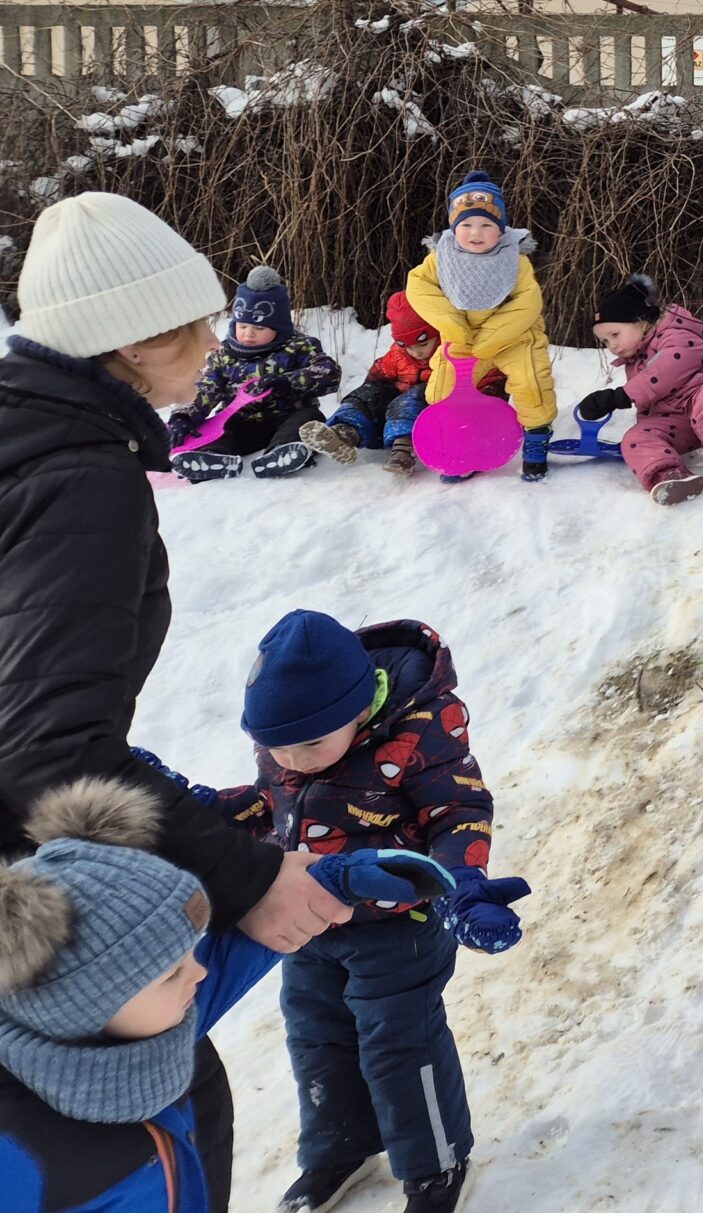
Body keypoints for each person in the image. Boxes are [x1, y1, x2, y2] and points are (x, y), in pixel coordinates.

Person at [0, 191, 354, 1209]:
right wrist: (249, 874)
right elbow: (49, 752)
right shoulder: (80, 478)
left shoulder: (24, 440)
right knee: (161, 1114)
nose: (214, 344)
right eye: (194, 324)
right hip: (24, 919)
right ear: (133, 340)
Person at [0, 780, 447, 1213]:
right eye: (172, 973)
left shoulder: (143, 1014)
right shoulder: (15, 1150)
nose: (198, 972)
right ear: (83, 1005)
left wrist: (333, 881)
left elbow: (234, 950)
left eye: (189, 952)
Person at [206, 611, 523, 1213]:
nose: (292, 760)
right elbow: (272, 806)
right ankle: (342, 1147)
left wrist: (462, 888)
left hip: (399, 928)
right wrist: (201, 811)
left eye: (310, 745)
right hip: (312, 919)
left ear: (359, 710)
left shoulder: (419, 736)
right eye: (276, 746)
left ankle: (436, 1165)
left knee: (400, 1044)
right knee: (316, 1037)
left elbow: (457, 813)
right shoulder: (290, 744)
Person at [404, 170, 560, 482]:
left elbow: (527, 302)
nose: (476, 232)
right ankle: (461, 444)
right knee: (444, 389)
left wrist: (492, 337)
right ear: (454, 227)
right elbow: (419, 287)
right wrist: (451, 323)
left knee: (531, 381)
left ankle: (536, 437)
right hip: (462, 336)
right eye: (466, 225)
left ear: (500, 230)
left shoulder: (514, 258)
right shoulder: (441, 257)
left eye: (487, 225)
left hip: (514, 336)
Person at [579, 273, 703, 505]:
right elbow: (648, 400)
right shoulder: (634, 359)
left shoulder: (675, 334)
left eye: (615, 335)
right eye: (606, 342)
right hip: (676, 422)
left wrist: (620, 396)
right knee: (634, 438)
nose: (612, 346)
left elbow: (666, 369)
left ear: (640, 320)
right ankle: (670, 474)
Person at [164, 266, 343, 483]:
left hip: (287, 415)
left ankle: (285, 453)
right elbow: (207, 386)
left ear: (279, 327)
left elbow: (329, 373)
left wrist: (287, 382)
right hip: (242, 420)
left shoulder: (299, 347)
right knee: (219, 429)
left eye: (259, 329)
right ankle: (212, 457)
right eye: (242, 326)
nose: (248, 334)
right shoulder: (225, 354)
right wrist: (184, 416)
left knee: (307, 419)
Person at [305, 290, 502, 477]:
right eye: (407, 346)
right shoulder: (398, 355)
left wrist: (488, 397)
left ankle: (404, 449)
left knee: (415, 396)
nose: (415, 352)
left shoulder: (455, 354)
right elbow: (378, 375)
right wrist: (370, 397)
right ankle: (345, 431)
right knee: (368, 394)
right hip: (389, 421)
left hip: (434, 421)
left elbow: (486, 376)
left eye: (423, 344)